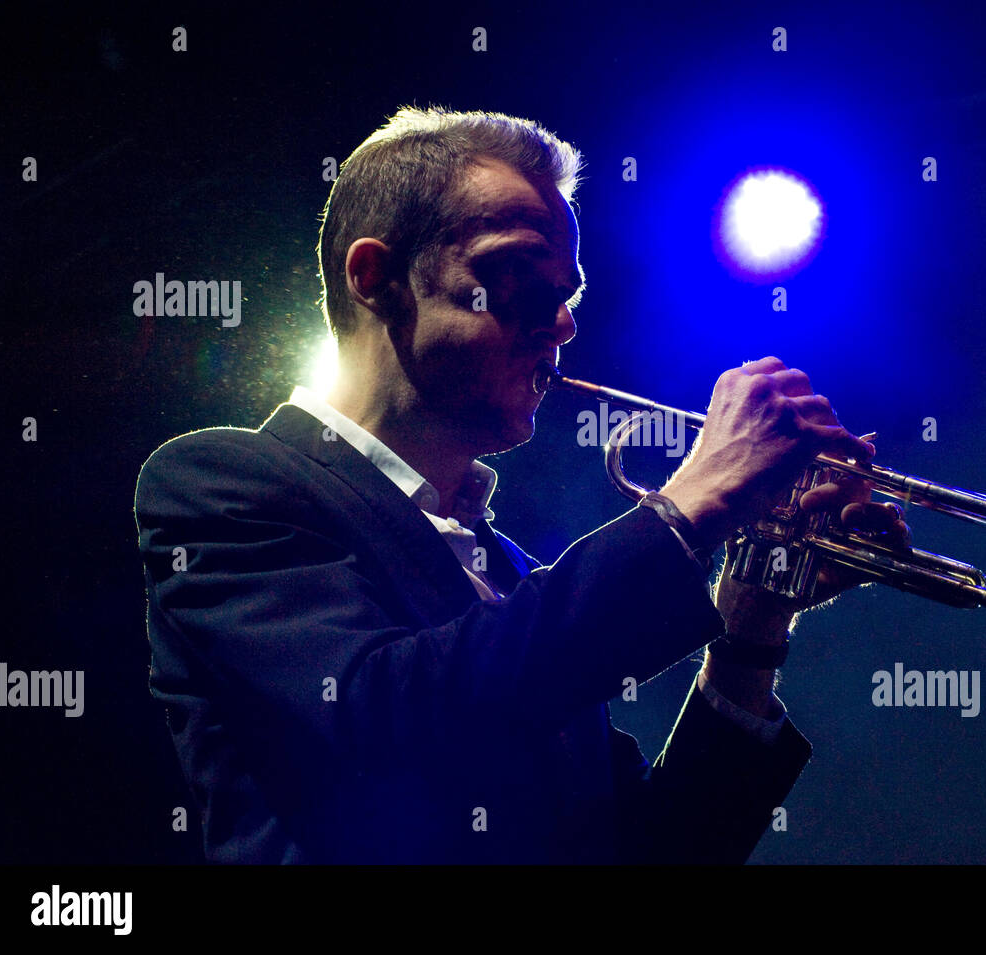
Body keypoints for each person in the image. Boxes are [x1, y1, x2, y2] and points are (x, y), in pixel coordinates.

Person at [134, 105, 908, 864]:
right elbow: (379, 717)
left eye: (565, 296)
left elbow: (660, 851)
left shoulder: (505, 571)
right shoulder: (223, 484)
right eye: (516, 280)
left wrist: (752, 618)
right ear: (377, 278)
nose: (563, 324)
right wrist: (695, 501)